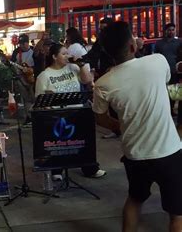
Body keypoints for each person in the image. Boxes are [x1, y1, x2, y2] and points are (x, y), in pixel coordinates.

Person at [94, 21, 182, 232]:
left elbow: (100, 118)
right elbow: (166, 80)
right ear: (133, 45)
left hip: (135, 154)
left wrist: (119, 126)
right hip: (168, 151)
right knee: (177, 213)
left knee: (134, 199)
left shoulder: (104, 83)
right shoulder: (157, 61)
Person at [35, 43, 106, 180]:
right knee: (60, 144)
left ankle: (90, 168)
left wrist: (81, 65)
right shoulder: (44, 75)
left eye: (68, 53)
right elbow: (39, 99)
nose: (67, 56)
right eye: (64, 54)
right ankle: (57, 170)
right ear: (55, 57)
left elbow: (87, 80)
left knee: (84, 141)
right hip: (57, 115)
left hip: (77, 111)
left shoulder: (73, 68)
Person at [155, 23, 181, 116]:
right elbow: (156, 57)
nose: (171, 31)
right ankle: (165, 110)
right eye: (169, 30)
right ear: (165, 31)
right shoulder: (159, 43)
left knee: (174, 92)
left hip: (175, 71)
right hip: (162, 72)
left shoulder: (179, 42)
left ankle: (172, 110)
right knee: (163, 92)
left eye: (173, 30)